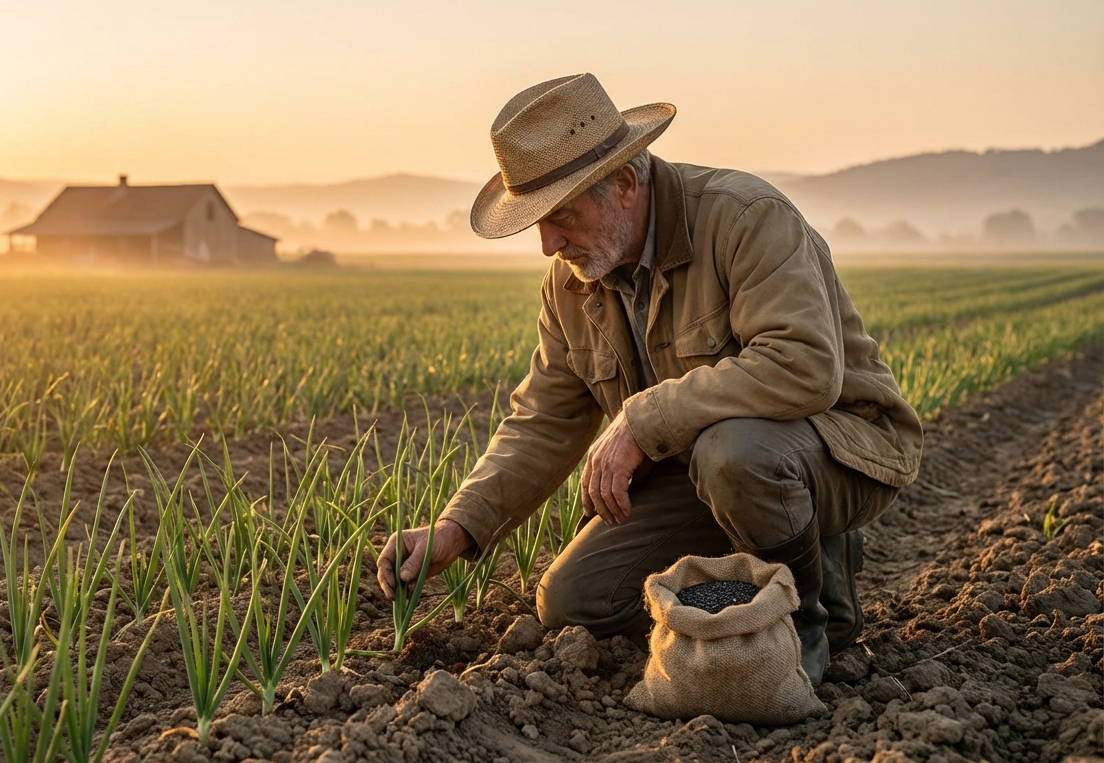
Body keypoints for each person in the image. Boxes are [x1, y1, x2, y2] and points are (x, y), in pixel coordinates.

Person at [376, 74, 922, 685]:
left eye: (560, 217)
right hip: (701, 470)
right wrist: (457, 526)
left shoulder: (745, 218)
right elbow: (545, 420)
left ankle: (804, 623)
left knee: (736, 453)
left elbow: (804, 367)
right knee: (573, 603)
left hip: (833, 448)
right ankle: (749, 560)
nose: (547, 244)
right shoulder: (570, 281)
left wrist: (643, 419)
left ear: (626, 185)